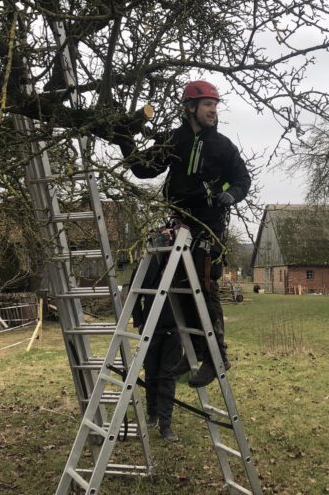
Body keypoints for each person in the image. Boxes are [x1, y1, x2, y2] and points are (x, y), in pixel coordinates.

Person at [111, 80, 251, 388]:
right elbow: (143, 168)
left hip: (208, 224)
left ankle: (217, 357)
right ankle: (192, 353)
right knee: (177, 286)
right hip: (180, 220)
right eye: (207, 105)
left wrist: (230, 193)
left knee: (203, 284)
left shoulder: (223, 146)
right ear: (190, 108)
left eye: (215, 105)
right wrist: (123, 138)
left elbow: (242, 179)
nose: (213, 110)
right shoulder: (175, 140)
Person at [130, 251, 183, 443]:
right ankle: (152, 415)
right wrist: (138, 321)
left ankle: (165, 425)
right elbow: (134, 293)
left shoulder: (180, 261)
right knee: (151, 373)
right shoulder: (147, 262)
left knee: (168, 376)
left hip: (174, 329)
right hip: (150, 328)